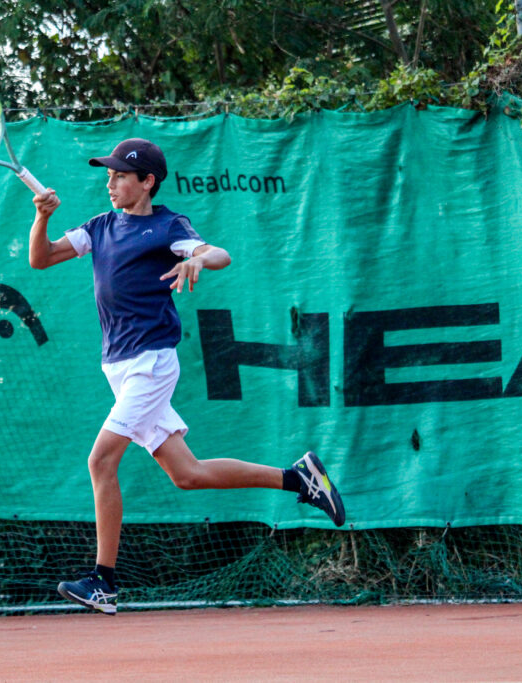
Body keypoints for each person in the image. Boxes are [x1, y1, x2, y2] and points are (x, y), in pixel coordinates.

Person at [28, 138, 345, 614]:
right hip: (118, 368)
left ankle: (103, 582)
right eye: (108, 175)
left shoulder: (166, 225)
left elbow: (218, 253)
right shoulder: (98, 227)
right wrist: (43, 216)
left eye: (119, 175)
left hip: (151, 364)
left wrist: (195, 258)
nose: (110, 182)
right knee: (188, 475)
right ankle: (299, 479)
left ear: (147, 181)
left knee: (100, 462)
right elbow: (41, 257)